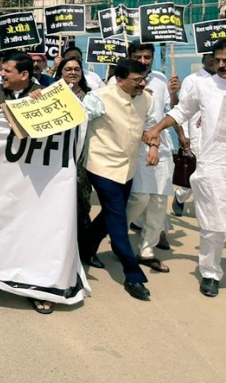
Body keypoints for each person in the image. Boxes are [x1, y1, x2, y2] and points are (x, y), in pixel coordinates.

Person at [144, 39, 226, 297]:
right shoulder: (204, 86)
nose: (221, 65)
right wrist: (157, 128)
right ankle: (210, 273)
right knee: (213, 223)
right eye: (218, 60)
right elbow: (181, 111)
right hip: (214, 165)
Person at [79, 59, 158, 302]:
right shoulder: (99, 97)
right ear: (120, 80)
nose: (142, 84)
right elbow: (78, 118)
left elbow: (150, 126)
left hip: (128, 168)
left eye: (144, 78)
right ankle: (132, 274)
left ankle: (85, 248)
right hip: (101, 165)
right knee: (117, 218)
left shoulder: (147, 98)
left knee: (111, 213)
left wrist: (153, 145)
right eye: (137, 80)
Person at [118, 42, 181, 270]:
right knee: (140, 197)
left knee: (159, 201)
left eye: (147, 57)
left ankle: (147, 249)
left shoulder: (161, 79)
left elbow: (170, 111)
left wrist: (173, 94)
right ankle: (119, 237)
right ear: (129, 56)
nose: (143, 61)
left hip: (161, 145)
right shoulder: (121, 80)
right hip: (135, 146)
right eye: (138, 57)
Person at [53, 57, 95, 264]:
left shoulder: (91, 96)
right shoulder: (51, 95)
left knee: (82, 205)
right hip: (57, 159)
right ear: (60, 73)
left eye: (77, 69)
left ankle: (86, 251)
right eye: (67, 69)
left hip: (81, 160)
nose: (72, 72)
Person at [172, 53, 217, 215]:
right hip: (197, 134)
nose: (213, 61)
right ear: (203, 59)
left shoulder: (222, 80)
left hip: (218, 134)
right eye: (209, 57)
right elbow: (183, 110)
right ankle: (180, 196)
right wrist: (183, 135)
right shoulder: (192, 80)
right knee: (198, 172)